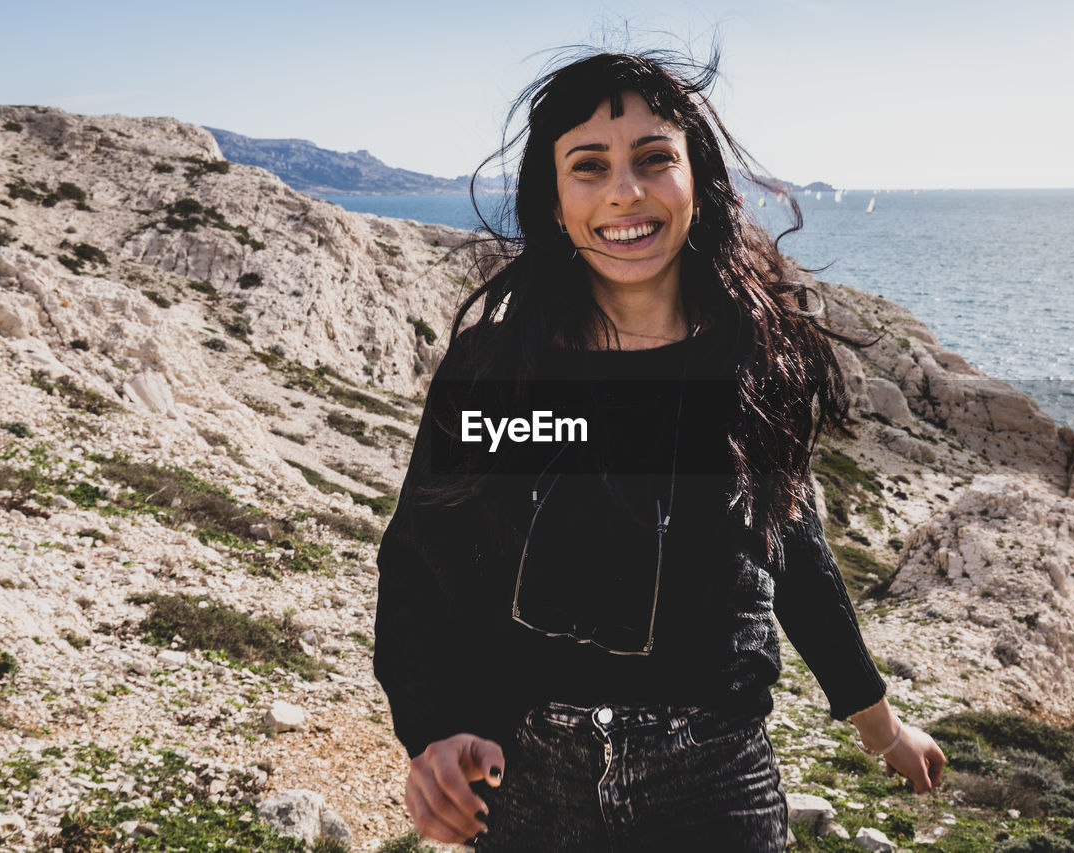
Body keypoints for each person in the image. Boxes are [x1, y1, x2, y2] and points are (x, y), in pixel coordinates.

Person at [374, 47, 946, 851]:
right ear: (555, 197)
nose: (624, 191)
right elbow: (420, 560)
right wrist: (430, 731)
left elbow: (797, 553)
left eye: (654, 159)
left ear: (695, 180)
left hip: (717, 783)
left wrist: (883, 728)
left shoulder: (754, 362)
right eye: (589, 166)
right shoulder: (494, 375)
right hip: (529, 778)